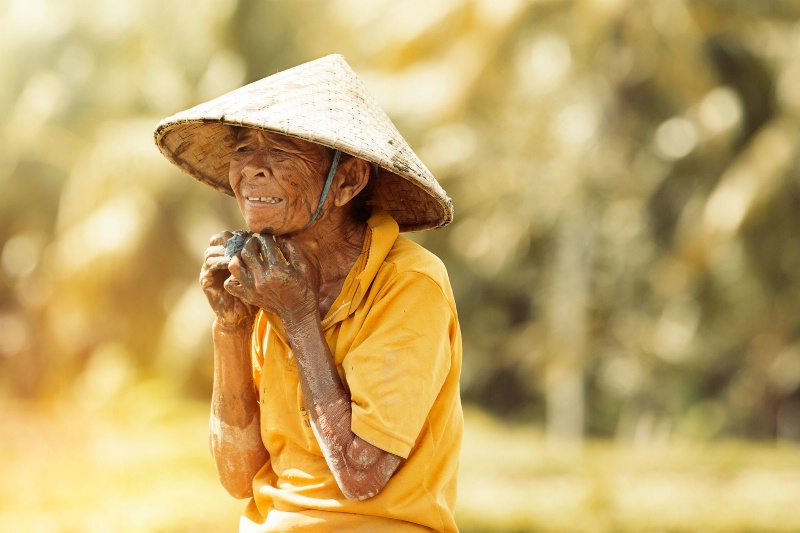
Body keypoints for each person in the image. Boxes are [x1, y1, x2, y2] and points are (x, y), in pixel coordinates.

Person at [154, 54, 463, 532]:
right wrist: (231, 324)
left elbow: (361, 475)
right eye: (242, 149)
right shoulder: (269, 277)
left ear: (347, 181)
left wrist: (298, 317)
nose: (252, 170)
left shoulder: (408, 283)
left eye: (281, 149)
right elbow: (238, 477)